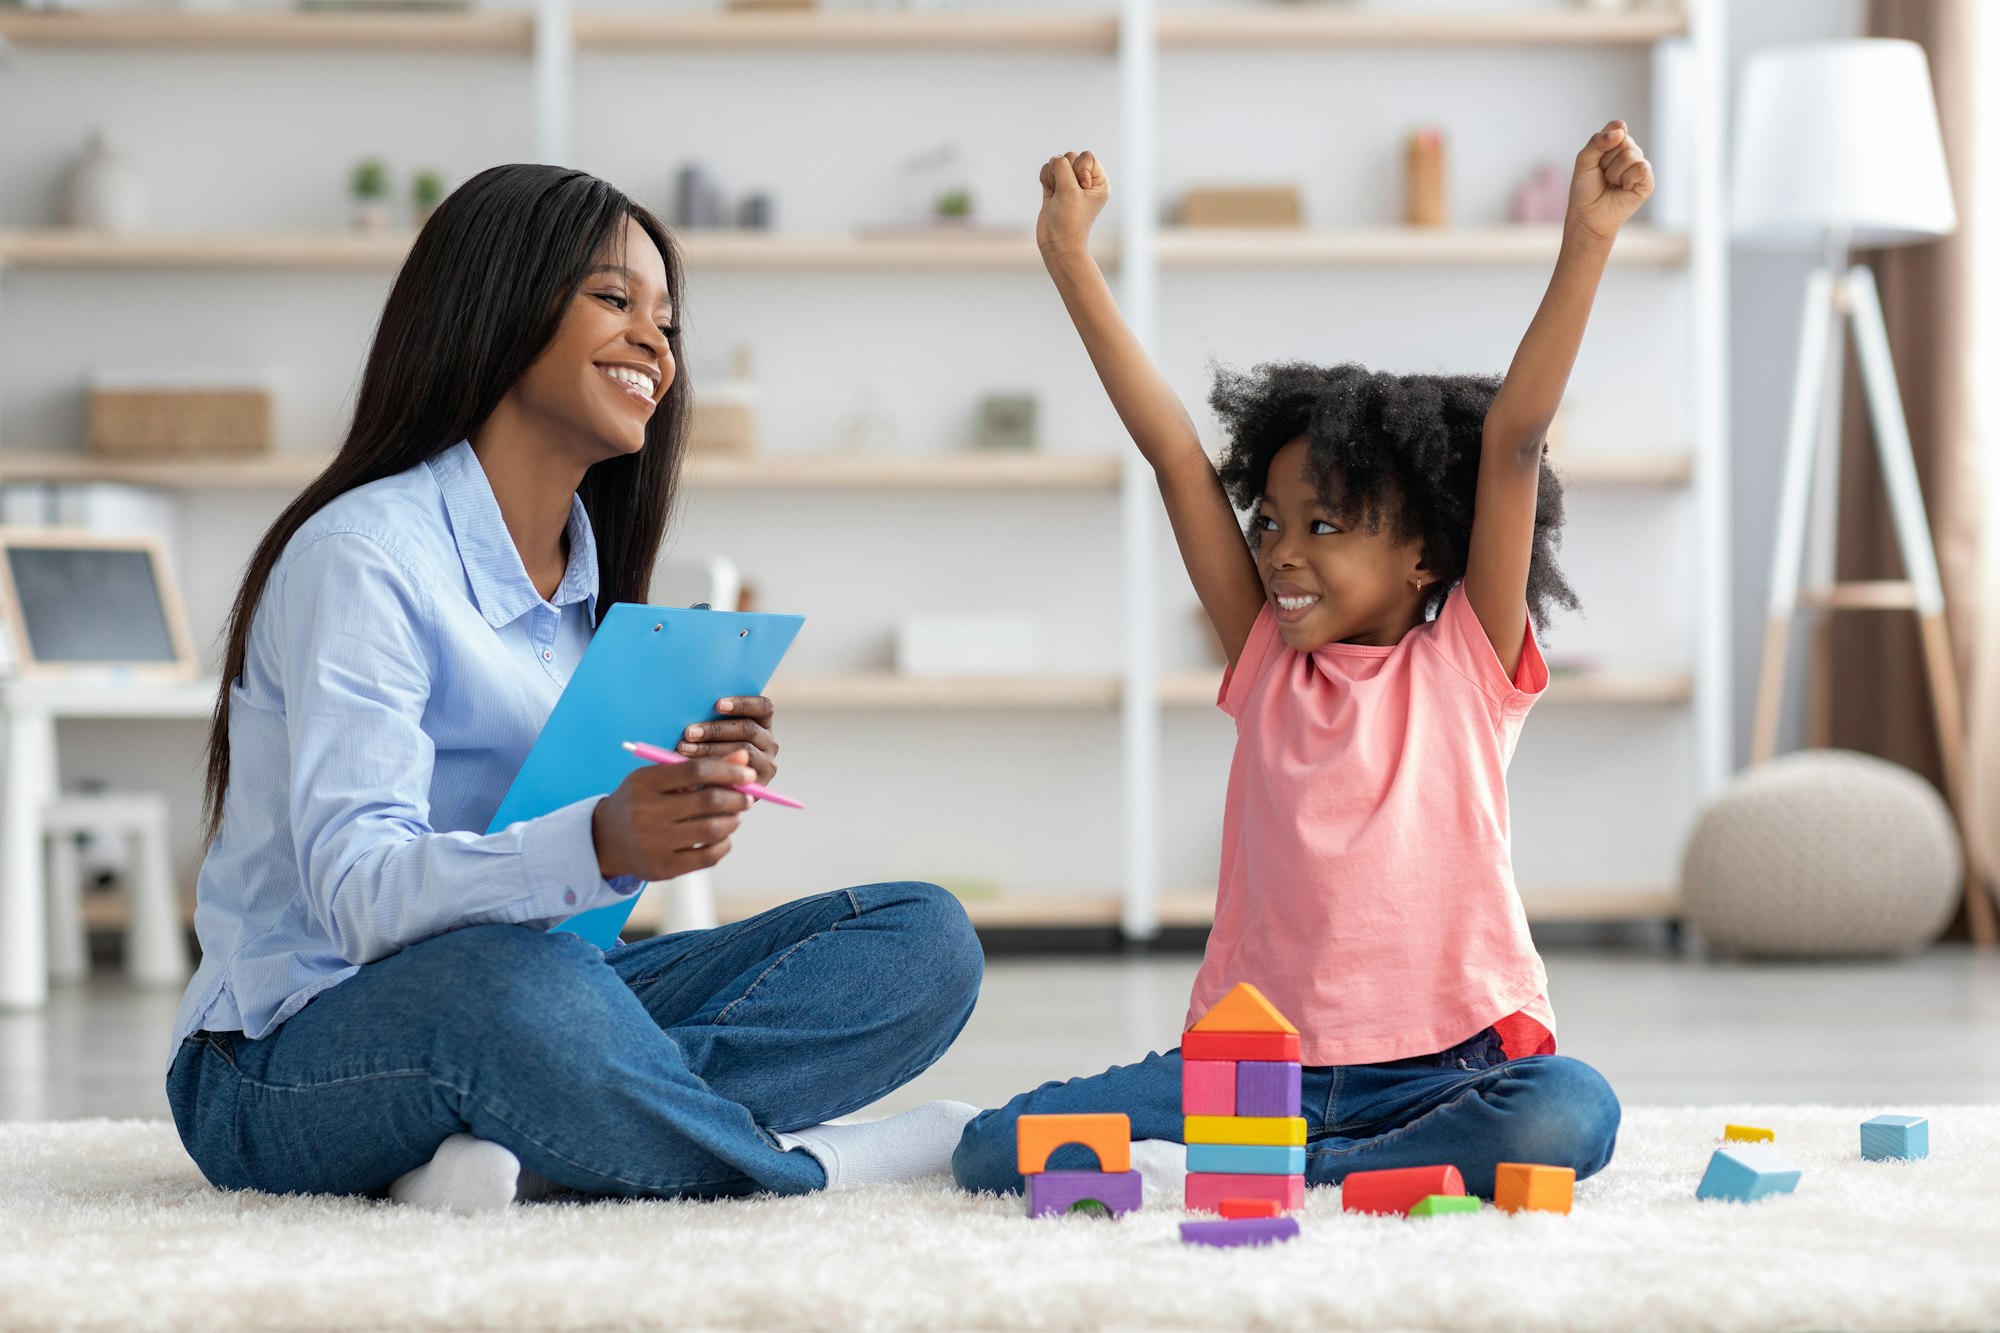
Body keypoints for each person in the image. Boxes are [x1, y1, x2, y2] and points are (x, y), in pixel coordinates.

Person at [167, 164, 983, 1214]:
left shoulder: (587, 587)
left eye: (667, 322)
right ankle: (810, 1162)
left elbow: (570, 916)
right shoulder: (362, 556)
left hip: (541, 999)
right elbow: (356, 895)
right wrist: (600, 839)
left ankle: (527, 1144)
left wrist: (680, 793)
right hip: (285, 1054)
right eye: (614, 299)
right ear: (499, 303)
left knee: (921, 941)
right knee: (517, 994)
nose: (656, 343)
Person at [954, 123, 1654, 1198]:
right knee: (990, 1148)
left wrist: (1586, 240)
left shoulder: (1467, 663)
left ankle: (1298, 1170)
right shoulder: (1266, 662)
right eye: (1271, 522)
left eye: (1323, 527)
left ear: (1424, 554)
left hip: (1446, 1067)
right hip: (1250, 1068)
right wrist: (1068, 259)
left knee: (1571, 1111)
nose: (1280, 551)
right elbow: (1174, 454)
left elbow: (1512, 437)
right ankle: (1331, 1169)